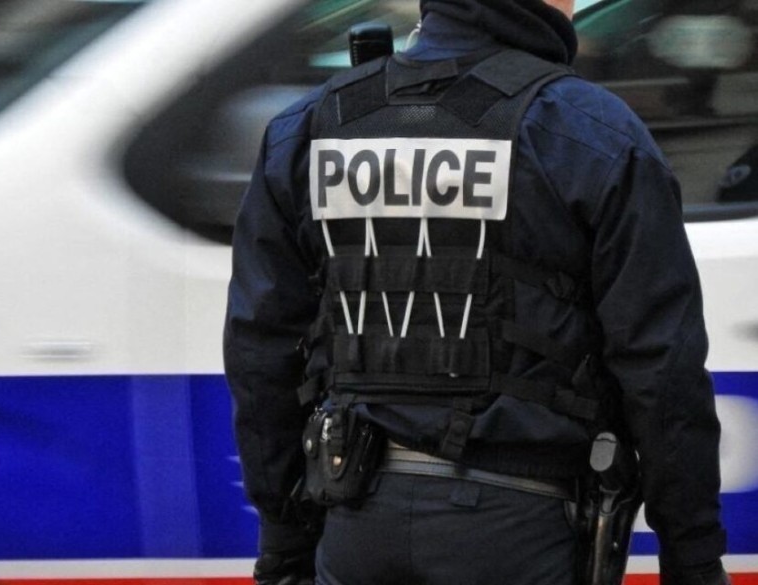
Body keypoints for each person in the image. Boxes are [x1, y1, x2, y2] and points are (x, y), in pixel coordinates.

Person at [223, 0, 729, 584]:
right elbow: (662, 370)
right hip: (520, 531)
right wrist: (692, 559)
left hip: (354, 522)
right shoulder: (589, 131)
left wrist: (285, 541)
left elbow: (261, 351)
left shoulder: (309, 127)